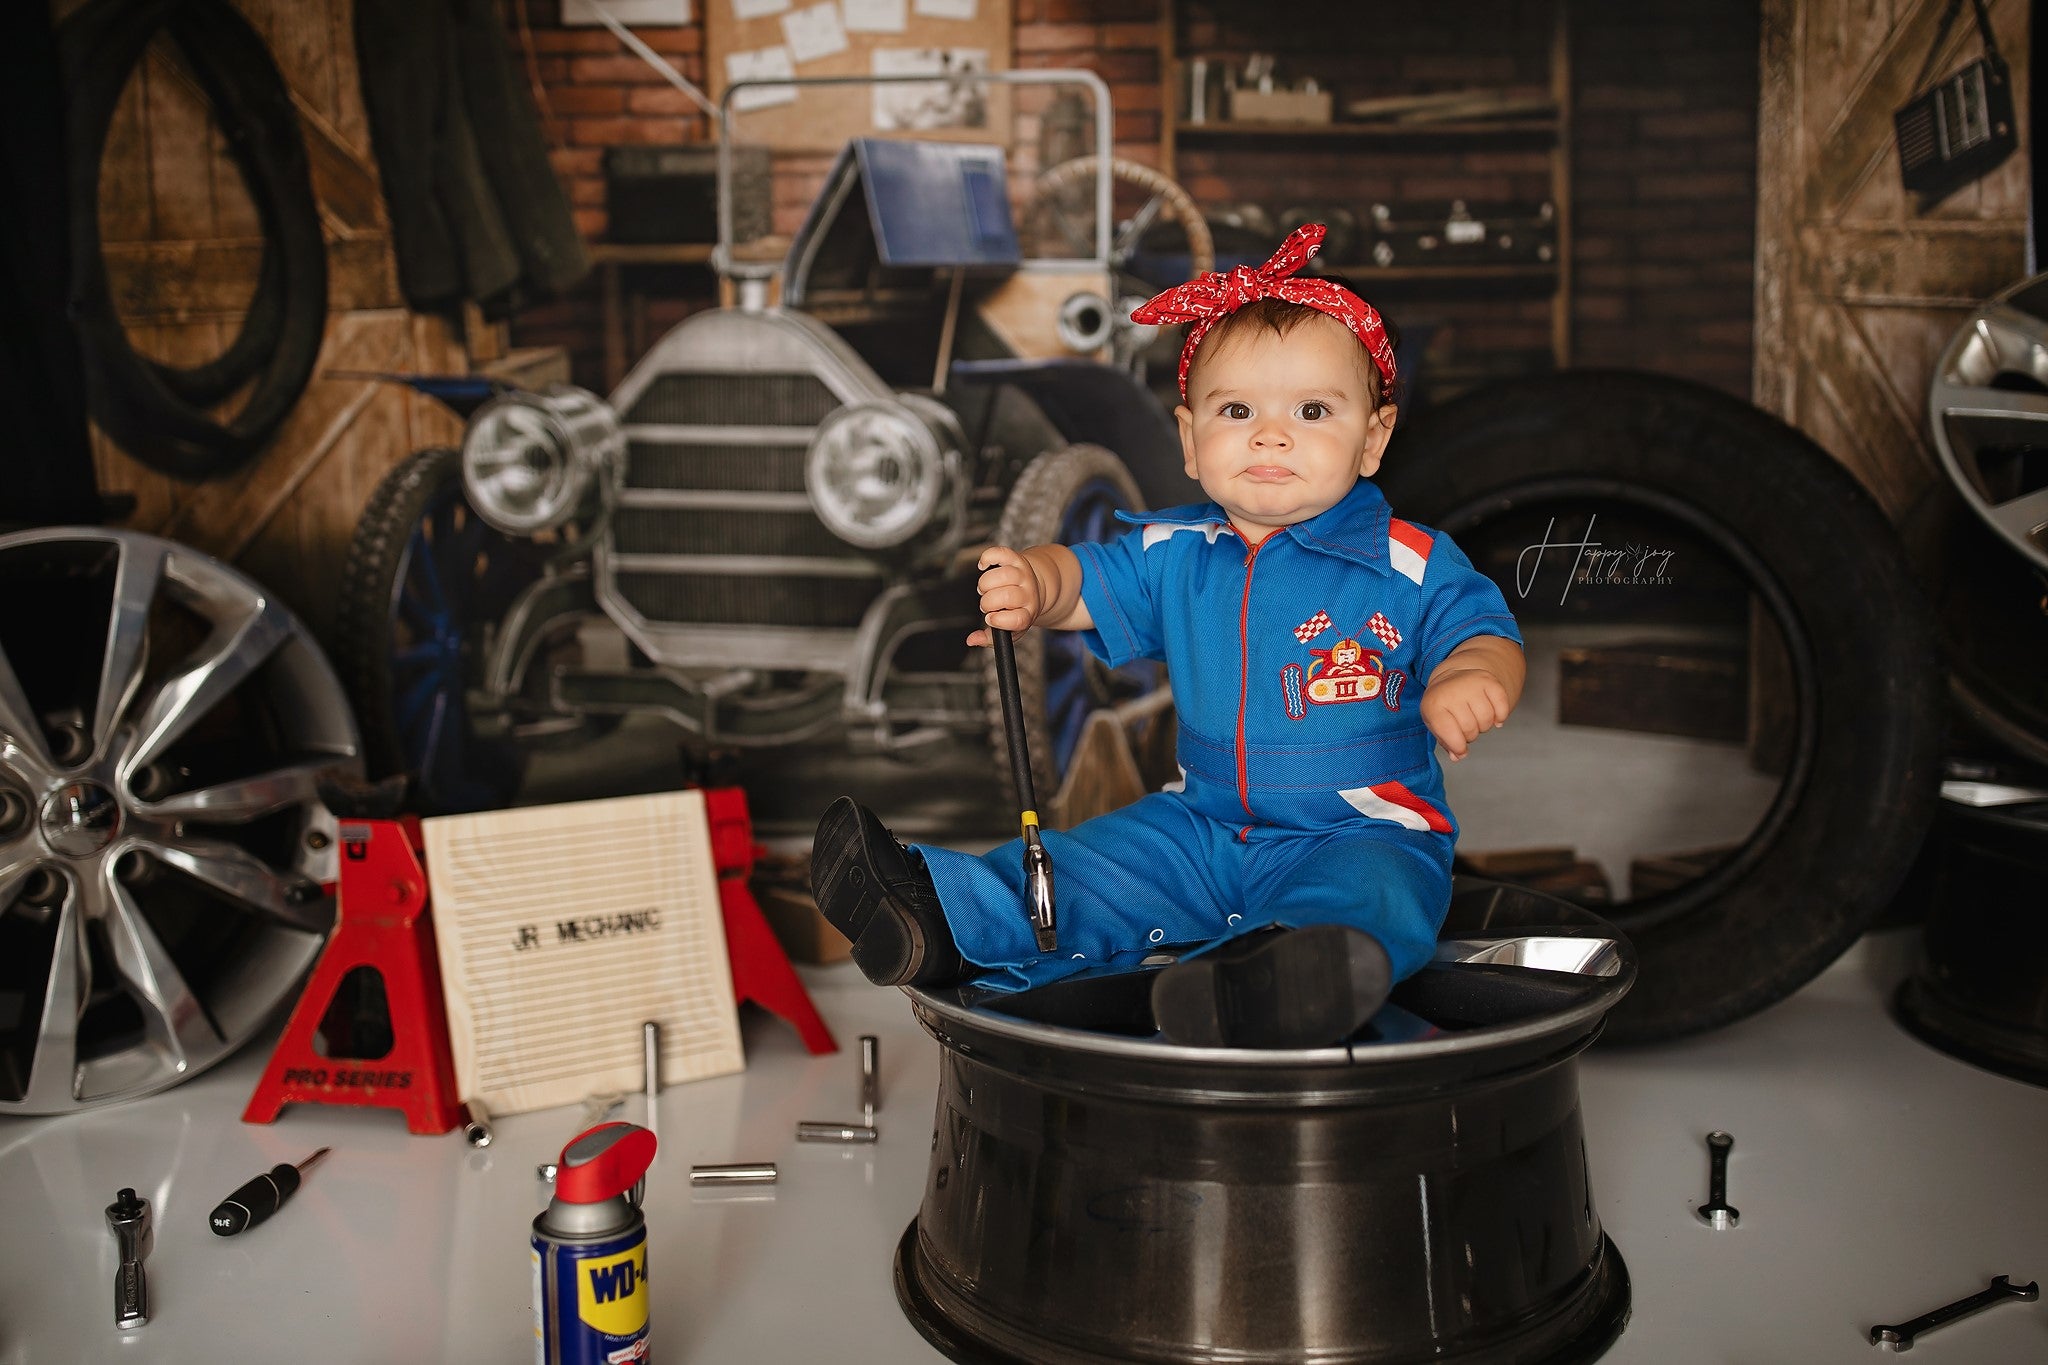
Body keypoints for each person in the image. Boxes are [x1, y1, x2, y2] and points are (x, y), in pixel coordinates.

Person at [811, 224, 1526, 1048]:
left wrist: (1471, 676)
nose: (1269, 434)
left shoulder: (1407, 562)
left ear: (1373, 438)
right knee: (1094, 864)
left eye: (1313, 411)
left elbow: (1481, 628)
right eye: (1235, 410)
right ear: (1189, 441)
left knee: (1368, 897)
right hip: (1200, 825)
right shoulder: (1176, 552)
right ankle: (933, 911)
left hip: (1360, 829)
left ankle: (1279, 975)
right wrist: (1035, 583)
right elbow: (1083, 579)